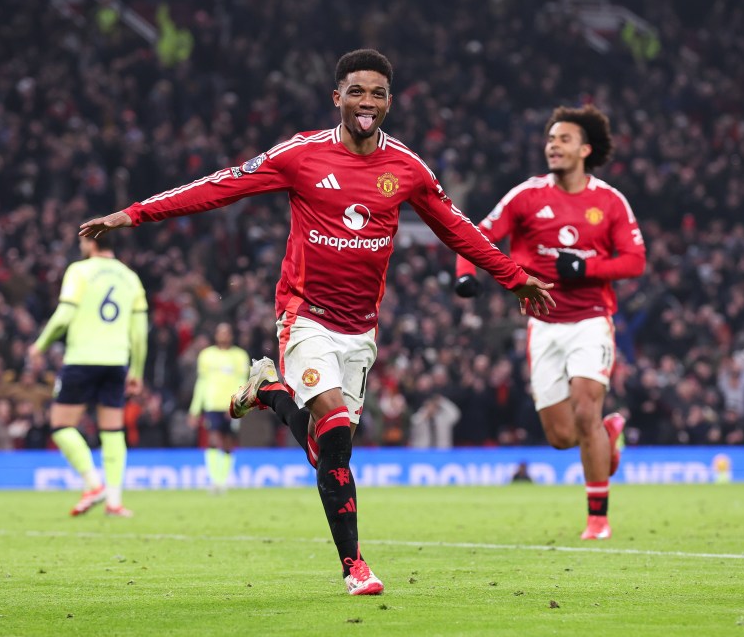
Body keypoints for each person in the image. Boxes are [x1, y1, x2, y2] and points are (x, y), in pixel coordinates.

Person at [79, 49, 554, 595]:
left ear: (390, 101)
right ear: (337, 98)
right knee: (331, 432)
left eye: (377, 93)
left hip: (361, 328)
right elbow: (220, 185)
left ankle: (270, 393)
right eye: (356, 91)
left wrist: (516, 277)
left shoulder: (407, 168)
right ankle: (355, 567)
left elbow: (458, 229)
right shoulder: (301, 155)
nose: (367, 103)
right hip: (305, 315)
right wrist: (135, 213)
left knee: (329, 449)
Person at [454, 104, 646, 540]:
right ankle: (608, 433)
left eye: (563, 139)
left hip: (591, 320)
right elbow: (475, 235)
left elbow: (636, 260)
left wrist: (588, 270)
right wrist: (466, 275)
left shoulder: (609, 201)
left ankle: (598, 518)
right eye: (550, 139)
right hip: (542, 324)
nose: (553, 146)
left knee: (585, 407)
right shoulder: (526, 196)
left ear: (585, 149)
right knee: (563, 436)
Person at [27, 233, 148, 517]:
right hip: (116, 360)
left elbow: (64, 315)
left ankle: (93, 484)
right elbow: (140, 334)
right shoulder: (130, 277)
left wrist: (40, 345)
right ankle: (114, 502)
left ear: (91, 243)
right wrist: (137, 370)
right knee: (112, 430)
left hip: (82, 359)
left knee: (60, 425)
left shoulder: (79, 271)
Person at [188, 323, 250, 493]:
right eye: (220, 332)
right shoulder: (206, 355)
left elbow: (243, 384)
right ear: (215, 335)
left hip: (231, 406)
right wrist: (195, 409)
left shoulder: (239, 355)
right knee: (213, 439)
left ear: (231, 335)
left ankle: (224, 479)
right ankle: (215, 480)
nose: (223, 335)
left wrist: (237, 405)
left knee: (229, 441)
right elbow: (201, 383)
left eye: (227, 332)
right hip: (212, 404)